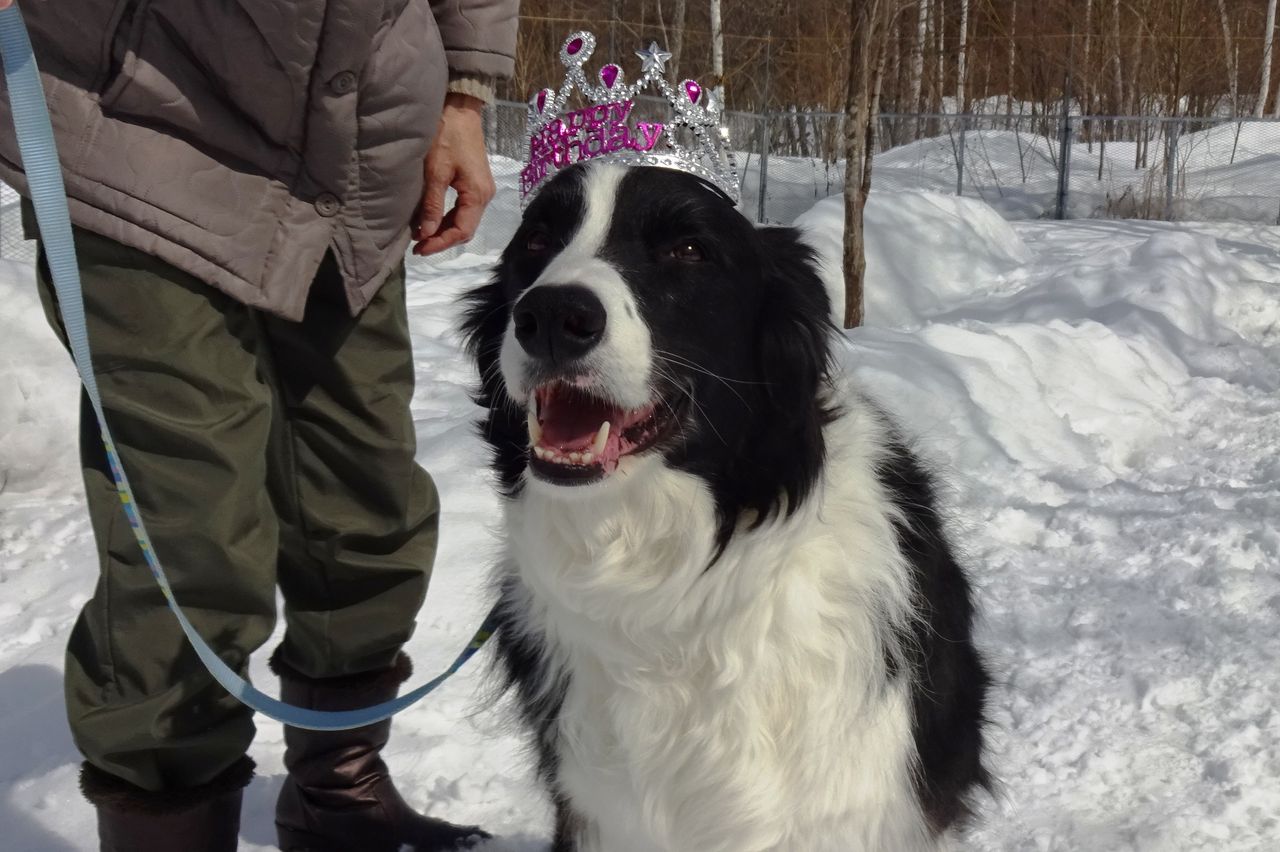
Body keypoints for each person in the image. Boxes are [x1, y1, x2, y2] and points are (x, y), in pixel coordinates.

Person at [0, 1, 518, 850]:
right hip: (142, 120)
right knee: (193, 540)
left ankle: (338, 795)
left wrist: (462, 88)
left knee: (367, 506)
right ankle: (169, 821)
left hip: (359, 145)